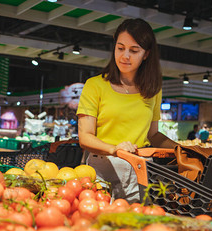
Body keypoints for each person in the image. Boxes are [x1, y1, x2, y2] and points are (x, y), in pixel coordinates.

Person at [76, 18, 178, 202]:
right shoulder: (95, 85)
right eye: (120, 48)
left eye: (134, 50)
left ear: (146, 54)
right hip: (102, 168)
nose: (125, 56)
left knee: (136, 223)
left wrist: (182, 149)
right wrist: (115, 149)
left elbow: (153, 135)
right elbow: (85, 136)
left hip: (141, 169)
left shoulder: (153, 89)